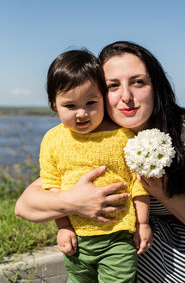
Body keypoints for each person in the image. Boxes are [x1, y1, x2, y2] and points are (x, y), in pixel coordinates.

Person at [15, 41, 185, 283]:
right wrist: (74, 202)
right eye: (113, 86)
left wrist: (163, 193)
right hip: (128, 248)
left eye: (138, 82)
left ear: (156, 86)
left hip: (183, 247)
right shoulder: (98, 140)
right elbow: (24, 206)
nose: (126, 97)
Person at [38, 48, 152, 282]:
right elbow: (52, 186)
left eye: (91, 102)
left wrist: (142, 223)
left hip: (118, 239)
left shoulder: (122, 136)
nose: (82, 113)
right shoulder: (53, 140)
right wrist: (63, 227)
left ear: (102, 97)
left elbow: (137, 185)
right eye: (70, 106)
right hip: (76, 240)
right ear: (54, 104)